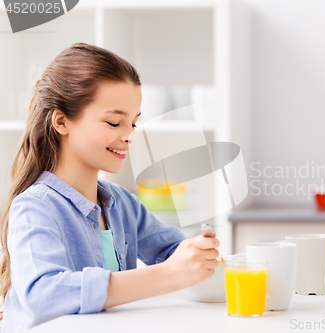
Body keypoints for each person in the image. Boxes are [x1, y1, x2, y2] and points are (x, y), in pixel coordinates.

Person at [0, 43, 219, 333]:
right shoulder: (36, 207)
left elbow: (172, 251)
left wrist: (196, 253)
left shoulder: (121, 204)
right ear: (62, 121)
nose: (129, 136)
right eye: (114, 122)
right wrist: (168, 274)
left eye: (133, 123)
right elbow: (44, 295)